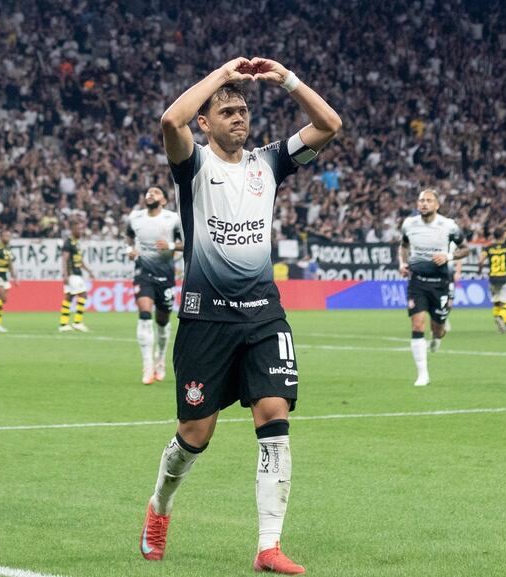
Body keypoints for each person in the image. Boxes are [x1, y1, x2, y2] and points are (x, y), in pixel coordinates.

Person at [139, 56, 341, 575]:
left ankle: (268, 546)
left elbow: (329, 125)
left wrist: (288, 80)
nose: (238, 116)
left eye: (243, 110)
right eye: (227, 110)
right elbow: (169, 120)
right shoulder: (194, 165)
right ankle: (160, 506)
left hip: (263, 317)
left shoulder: (268, 162)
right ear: (205, 123)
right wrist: (223, 76)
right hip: (206, 318)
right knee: (195, 434)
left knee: (274, 414)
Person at [399, 189, 469, 386]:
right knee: (417, 324)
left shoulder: (449, 226)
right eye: (421, 200)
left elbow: (465, 249)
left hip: (440, 284)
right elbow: (404, 246)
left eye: (429, 200)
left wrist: (448, 256)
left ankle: (437, 336)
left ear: (437, 205)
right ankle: (423, 374)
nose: (424, 204)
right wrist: (402, 264)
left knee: (437, 328)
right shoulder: (409, 224)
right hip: (417, 282)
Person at [126, 186, 183, 385]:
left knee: (162, 320)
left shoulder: (173, 219)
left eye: (156, 192)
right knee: (144, 314)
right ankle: (147, 365)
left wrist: (169, 246)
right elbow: (129, 236)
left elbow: (188, 242)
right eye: (148, 192)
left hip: (165, 275)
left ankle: (160, 358)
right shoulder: (135, 218)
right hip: (143, 273)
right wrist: (129, 249)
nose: (150, 194)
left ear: (164, 200)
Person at [59, 221, 94, 332]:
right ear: (73, 230)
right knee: (83, 295)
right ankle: (77, 322)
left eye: (81, 229)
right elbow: (64, 259)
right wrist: (65, 274)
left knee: (69, 297)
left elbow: (79, 261)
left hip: (75, 273)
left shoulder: (76, 243)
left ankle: (63, 324)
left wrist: (89, 271)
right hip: (72, 274)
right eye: (78, 229)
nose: (80, 231)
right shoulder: (68, 243)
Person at [478, 228, 506, 334]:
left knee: (497, 302)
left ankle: (500, 326)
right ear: (503, 236)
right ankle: (501, 317)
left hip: (493, 278)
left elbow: (480, 261)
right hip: (505, 278)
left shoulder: (489, 248)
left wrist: (480, 270)